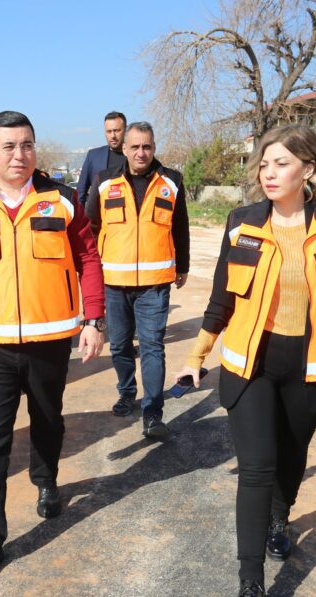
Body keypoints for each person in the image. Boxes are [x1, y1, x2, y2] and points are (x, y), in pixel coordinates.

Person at [174, 124, 316, 597]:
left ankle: (283, 514)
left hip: (310, 366)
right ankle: (250, 588)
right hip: (249, 363)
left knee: (290, 458)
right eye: (264, 164)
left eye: (281, 163)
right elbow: (221, 300)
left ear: (307, 167)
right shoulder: (241, 224)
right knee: (256, 468)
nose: (269, 173)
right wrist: (196, 355)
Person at [0, 111, 105, 585]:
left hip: (50, 341)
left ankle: (46, 479)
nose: (20, 155)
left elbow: (88, 258)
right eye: (9, 146)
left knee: (48, 420)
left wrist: (93, 319)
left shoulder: (63, 201)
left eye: (27, 145)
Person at [85, 121, 190, 438]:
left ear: (154, 147)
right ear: (124, 149)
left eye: (146, 146)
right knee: (118, 347)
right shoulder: (105, 182)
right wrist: (90, 271)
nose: (141, 152)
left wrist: (181, 266)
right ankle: (127, 391)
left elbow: (180, 227)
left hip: (154, 285)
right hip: (114, 283)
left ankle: (153, 414)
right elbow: (90, 228)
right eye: (135, 147)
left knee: (153, 347)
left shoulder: (172, 181)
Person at [76, 111, 127, 209]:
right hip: (101, 221)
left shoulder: (135, 156)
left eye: (117, 130)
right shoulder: (93, 156)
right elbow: (80, 193)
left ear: (125, 130)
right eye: (109, 131)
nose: (113, 136)